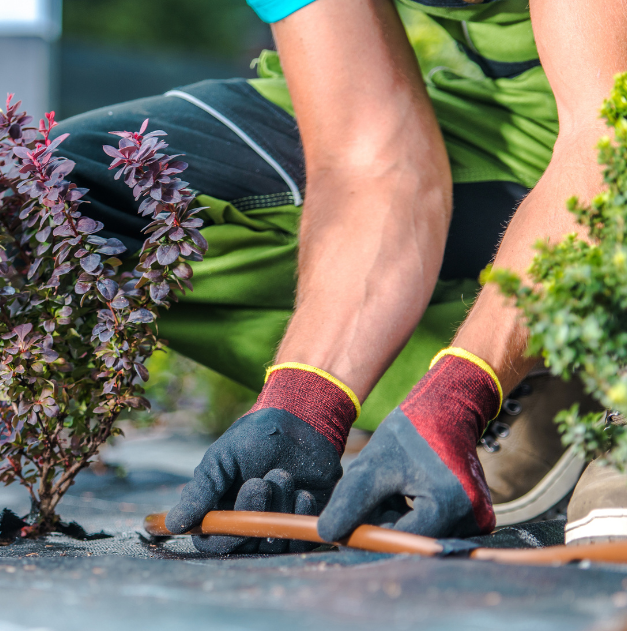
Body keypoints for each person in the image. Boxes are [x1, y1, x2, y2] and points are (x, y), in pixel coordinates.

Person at [60, 0, 626, 552]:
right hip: (522, 127)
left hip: (605, 112)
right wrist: (306, 403)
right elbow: (373, 159)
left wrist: (460, 395)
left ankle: (571, 370)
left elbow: (604, 135)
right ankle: (540, 373)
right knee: (59, 196)